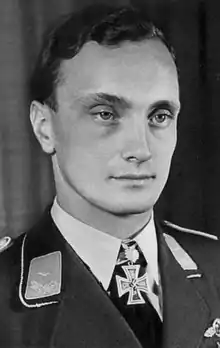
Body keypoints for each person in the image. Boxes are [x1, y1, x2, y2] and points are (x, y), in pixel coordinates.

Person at [0, 4, 220, 348]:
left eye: (159, 116)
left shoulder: (214, 266)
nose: (141, 149)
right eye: (106, 114)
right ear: (45, 127)